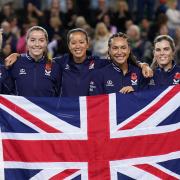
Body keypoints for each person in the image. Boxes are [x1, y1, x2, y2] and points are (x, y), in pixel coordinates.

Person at [5, 28, 153, 97]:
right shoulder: (59, 63)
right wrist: (19, 55)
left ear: (87, 44)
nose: (78, 46)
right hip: (67, 114)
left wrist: (142, 64)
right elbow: (39, 61)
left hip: (90, 114)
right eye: (74, 43)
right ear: (69, 46)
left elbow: (119, 57)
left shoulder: (98, 63)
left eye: (81, 42)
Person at [6, 26, 62, 97]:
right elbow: (6, 92)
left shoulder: (55, 67)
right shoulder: (15, 63)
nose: (37, 44)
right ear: (27, 41)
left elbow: (59, 97)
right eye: (32, 40)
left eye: (41, 40)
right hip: (21, 108)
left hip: (44, 108)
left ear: (46, 43)